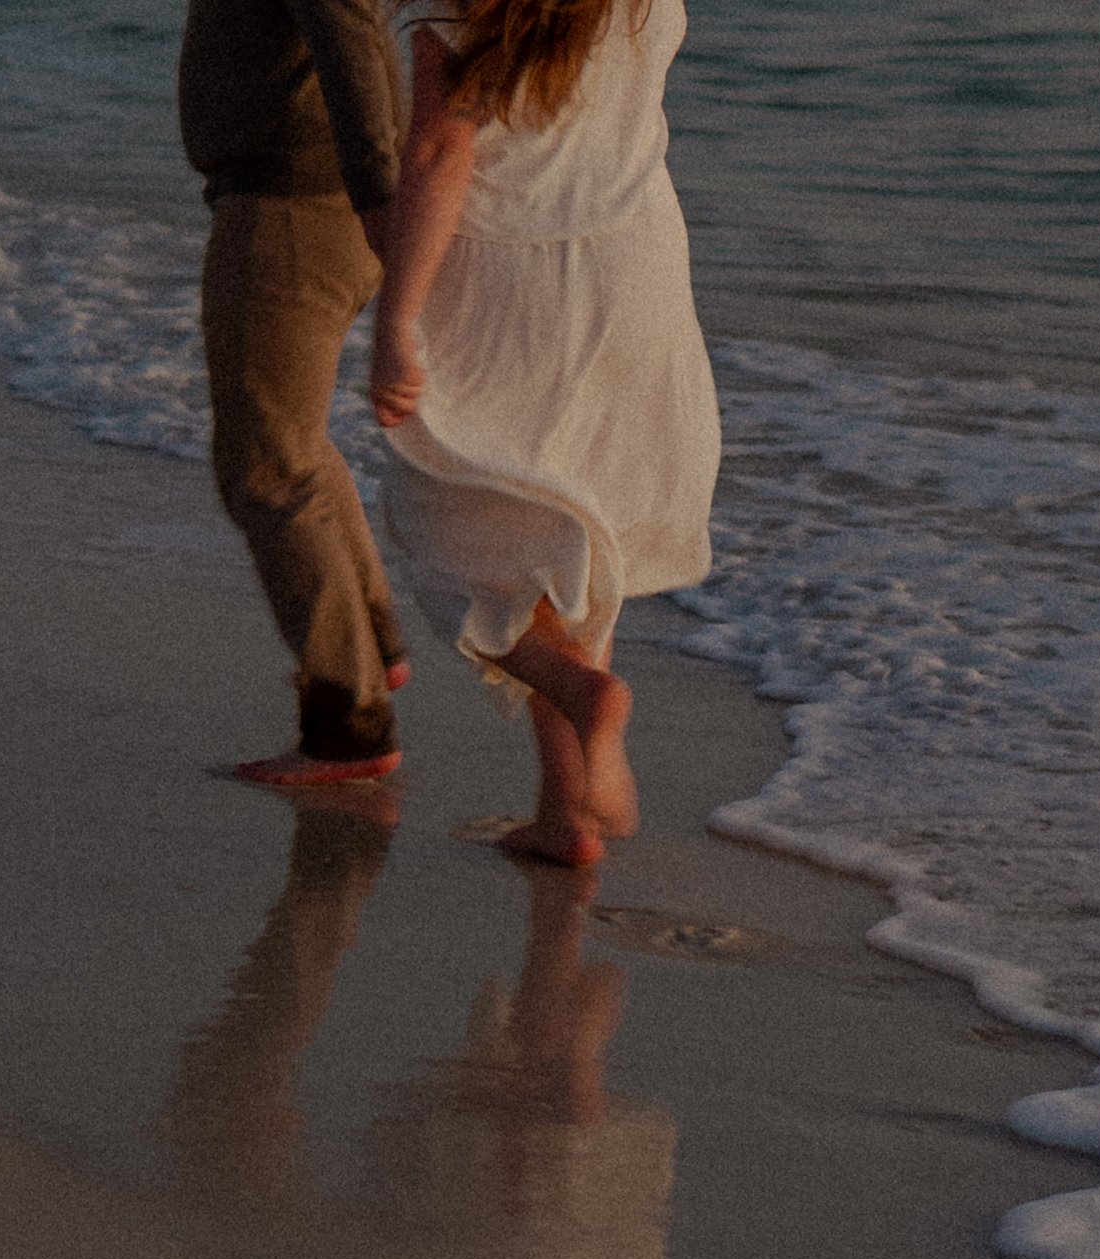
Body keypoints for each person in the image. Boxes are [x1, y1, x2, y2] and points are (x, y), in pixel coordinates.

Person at [369, 0, 720, 866]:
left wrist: (396, 316)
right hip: (635, 264)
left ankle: (578, 690)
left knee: (447, 531)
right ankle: (567, 812)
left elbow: (442, 149)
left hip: (505, 278)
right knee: (572, 533)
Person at [179, 0, 412, 785]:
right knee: (293, 445)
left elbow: (346, 28)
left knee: (265, 468)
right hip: (308, 200)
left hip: (291, 208)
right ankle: (370, 646)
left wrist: (379, 194)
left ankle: (349, 723)